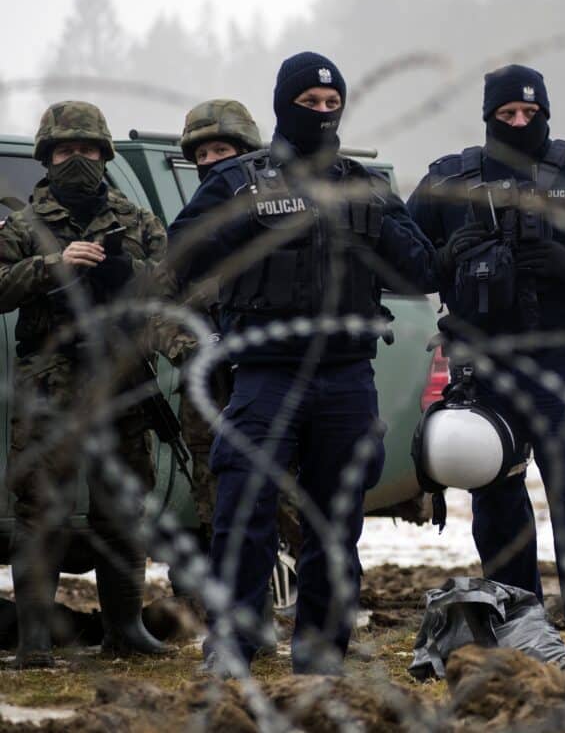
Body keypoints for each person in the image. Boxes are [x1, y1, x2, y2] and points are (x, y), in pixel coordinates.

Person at [168, 52, 439, 676]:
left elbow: (422, 269)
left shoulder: (363, 185)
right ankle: (231, 648)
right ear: (284, 107)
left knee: (334, 527)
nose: (321, 112)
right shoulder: (242, 181)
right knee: (243, 515)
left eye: (330, 103)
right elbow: (181, 251)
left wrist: (368, 225)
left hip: (346, 377)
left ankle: (320, 657)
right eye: (308, 103)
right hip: (265, 375)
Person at [406, 64, 565, 663]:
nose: (520, 123)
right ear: (490, 117)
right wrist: (449, 257)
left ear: (546, 112)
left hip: (562, 366)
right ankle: (517, 637)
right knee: (497, 509)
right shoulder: (451, 180)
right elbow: (401, 263)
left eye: (530, 113)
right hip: (483, 371)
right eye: (507, 115)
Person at [0, 101, 187, 667]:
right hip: (47, 387)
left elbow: (174, 284)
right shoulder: (22, 223)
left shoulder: (135, 219)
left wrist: (128, 275)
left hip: (120, 381)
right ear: (47, 158)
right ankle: (35, 638)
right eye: (65, 151)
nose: (77, 159)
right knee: (40, 509)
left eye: (87, 150)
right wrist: (50, 266)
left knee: (122, 505)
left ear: (104, 156)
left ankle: (125, 627)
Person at [175, 99, 264, 542]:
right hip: (208, 390)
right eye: (202, 156)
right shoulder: (188, 231)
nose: (210, 163)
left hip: (267, 379)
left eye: (221, 152)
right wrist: (194, 342)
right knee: (214, 509)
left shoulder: (279, 218)